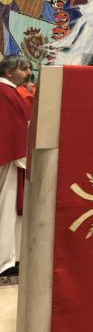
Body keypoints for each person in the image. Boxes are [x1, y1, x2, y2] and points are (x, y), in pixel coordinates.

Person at [0, 55, 33, 276]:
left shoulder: (10, 91)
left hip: (10, 155)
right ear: (9, 72)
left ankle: (10, 257)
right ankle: (4, 262)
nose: (29, 73)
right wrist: (24, 158)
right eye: (23, 69)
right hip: (8, 157)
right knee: (6, 207)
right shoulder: (5, 92)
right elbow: (12, 128)